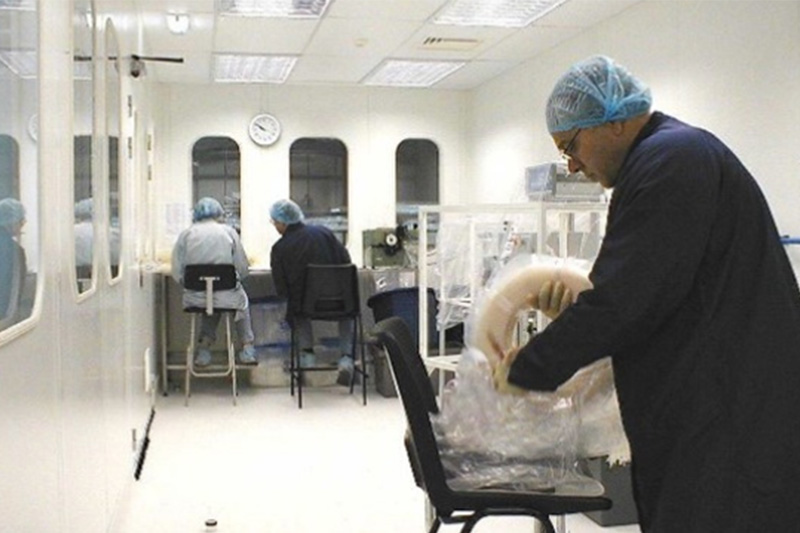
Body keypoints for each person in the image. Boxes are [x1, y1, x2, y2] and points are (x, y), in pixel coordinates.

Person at [492, 55, 800, 532]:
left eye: (571, 146)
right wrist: (580, 311)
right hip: (706, 402)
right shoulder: (663, 160)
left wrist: (528, 368)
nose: (572, 165)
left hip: (729, 413)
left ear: (613, 120)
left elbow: (626, 300)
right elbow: (659, 290)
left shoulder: (673, 161)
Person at [268, 199, 355, 385]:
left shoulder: (279, 248)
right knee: (349, 312)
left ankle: (307, 358)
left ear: (283, 223)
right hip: (340, 303)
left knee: (296, 310)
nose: (275, 226)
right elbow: (346, 264)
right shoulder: (325, 233)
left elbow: (281, 289)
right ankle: (347, 359)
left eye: (275, 222)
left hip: (305, 307)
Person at [172, 197, 256, 366]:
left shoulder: (186, 234)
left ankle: (204, 350)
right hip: (226, 296)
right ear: (219, 213)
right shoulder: (229, 232)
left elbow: (177, 272)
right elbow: (242, 268)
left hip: (194, 298)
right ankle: (247, 348)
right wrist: (232, 280)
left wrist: (195, 285)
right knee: (238, 301)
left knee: (210, 302)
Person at [0, 198, 26, 324]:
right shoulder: (14, 251)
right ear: (12, 222)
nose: (23, 224)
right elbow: (14, 292)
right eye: (21, 221)